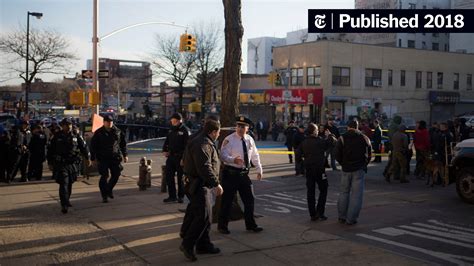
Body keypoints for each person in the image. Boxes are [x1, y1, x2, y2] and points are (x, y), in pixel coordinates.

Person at [180, 119, 223, 262]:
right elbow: (204, 167)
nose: (218, 135)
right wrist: (216, 183)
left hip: (196, 184)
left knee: (198, 213)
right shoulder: (203, 143)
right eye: (218, 133)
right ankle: (187, 244)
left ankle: (203, 244)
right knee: (203, 217)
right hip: (199, 185)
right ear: (213, 132)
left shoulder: (199, 139)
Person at [218, 116, 263, 235]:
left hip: (243, 175)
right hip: (231, 174)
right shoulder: (229, 139)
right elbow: (223, 155)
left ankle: (250, 224)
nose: (240, 128)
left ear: (247, 128)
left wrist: (259, 169)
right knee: (227, 201)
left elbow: (255, 155)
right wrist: (233, 160)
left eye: (243, 126)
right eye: (238, 126)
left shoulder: (249, 139)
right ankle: (222, 226)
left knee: (249, 200)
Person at [47, 118, 91, 213]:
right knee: (64, 183)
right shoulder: (57, 136)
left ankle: (67, 199)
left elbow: (84, 147)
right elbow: (50, 149)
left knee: (70, 182)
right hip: (61, 164)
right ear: (62, 126)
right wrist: (50, 162)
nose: (68, 126)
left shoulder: (76, 135)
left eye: (70, 125)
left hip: (72, 164)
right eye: (66, 125)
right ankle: (64, 204)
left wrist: (88, 158)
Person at [334, 120, 372, 225]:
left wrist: (343, 163)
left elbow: (336, 154)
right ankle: (351, 219)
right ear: (357, 126)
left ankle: (342, 216)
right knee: (356, 195)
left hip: (346, 169)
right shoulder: (364, 138)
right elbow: (369, 155)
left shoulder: (342, 138)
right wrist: (364, 165)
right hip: (359, 170)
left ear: (348, 127)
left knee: (343, 193)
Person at [296, 123, 336, 221]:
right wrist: (329, 135)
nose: (318, 131)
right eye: (317, 130)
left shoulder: (304, 142)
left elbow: (297, 157)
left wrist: (303, 165)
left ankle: (313, 214)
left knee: (311, 191)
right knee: (324, 189)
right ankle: (320, 212)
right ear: (314, 131)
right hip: (319, 170)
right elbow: (332, 142)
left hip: (309, 170)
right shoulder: (320, 141)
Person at [90, 115, 128, 203]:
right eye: (107, 122)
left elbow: (123, 144)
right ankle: (104, 195)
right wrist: (92, 158)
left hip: (114, 157)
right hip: (103, 158)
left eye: (111, 122)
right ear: (104, 122)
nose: (109, 123)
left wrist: (125, 155)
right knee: (104, 176)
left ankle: (109, 189)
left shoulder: (118, 131)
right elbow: (93, 146)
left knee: (116, 174)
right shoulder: (99, 132)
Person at [162, 113, 189, 203]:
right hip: (171, 157)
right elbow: (166, 141)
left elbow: (187, 147)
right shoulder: (171, 130)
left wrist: (184, 158)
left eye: (174, 121)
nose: (172, 122)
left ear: (179, 120)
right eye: (172, 121)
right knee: (169, 176)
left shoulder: (185, 131)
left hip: (180, 157)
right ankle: (172, 196)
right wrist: (164, 150)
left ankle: (181, 196)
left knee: (180, 178)